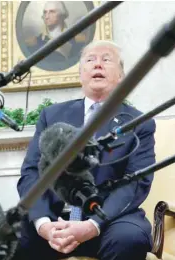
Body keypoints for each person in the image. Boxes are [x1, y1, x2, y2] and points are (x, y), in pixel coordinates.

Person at [15, 40, 155, 260]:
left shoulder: (139, 122)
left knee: (129, 239)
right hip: (55, 220)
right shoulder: (51, 116)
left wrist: (92, 225)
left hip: (110, 222)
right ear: (81, 74)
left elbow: (136, 182)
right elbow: (31, 174)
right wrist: (43, 224)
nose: (97, 64)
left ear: (121, 76)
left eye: (106, 59)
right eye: (90, 60)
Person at [25, 1, 87, 71]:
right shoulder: (33, 43)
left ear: (62, 15)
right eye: (45, 12)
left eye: (52, 12)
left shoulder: (78, 40)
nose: (47, 16)